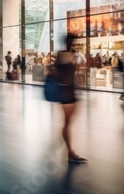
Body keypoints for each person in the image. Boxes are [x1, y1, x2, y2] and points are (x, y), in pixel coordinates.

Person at [55, 33, 86, 163]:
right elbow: (65, 72)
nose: (72, 43)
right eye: (71, 40)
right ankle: (70, 152)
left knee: (68, 123)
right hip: (66, 93)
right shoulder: (63, 54)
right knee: (67, 124)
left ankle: (69, 150)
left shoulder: (67, 55)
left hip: (70, 92)